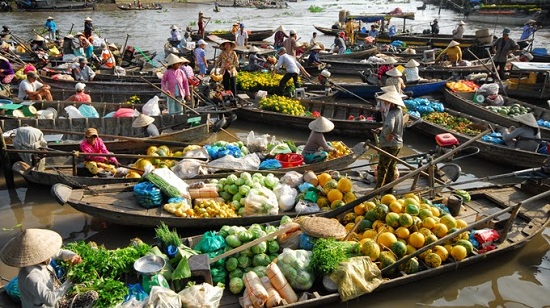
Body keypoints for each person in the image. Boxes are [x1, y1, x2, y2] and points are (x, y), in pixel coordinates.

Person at [0, 228, 98, 308]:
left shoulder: (42, 258)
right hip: (49, 305)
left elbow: (59, 253)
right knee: (91, 296)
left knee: (91, 295)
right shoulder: (31, 277)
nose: (50, 254)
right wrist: (69, 282)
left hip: (57, 299)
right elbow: (50, 300)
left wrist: (72, 256)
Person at [374, 90, 405, 191]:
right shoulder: (399, 110)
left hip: (389, 144)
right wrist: (382, 129)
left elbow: (390, 126)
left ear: (391, 103)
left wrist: (386, 134)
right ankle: (388, 190)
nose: (385, 104)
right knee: (391, 167)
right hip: (398, 144)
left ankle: (377, 191)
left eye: (386, 102)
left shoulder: (392, 113)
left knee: (382, 168)